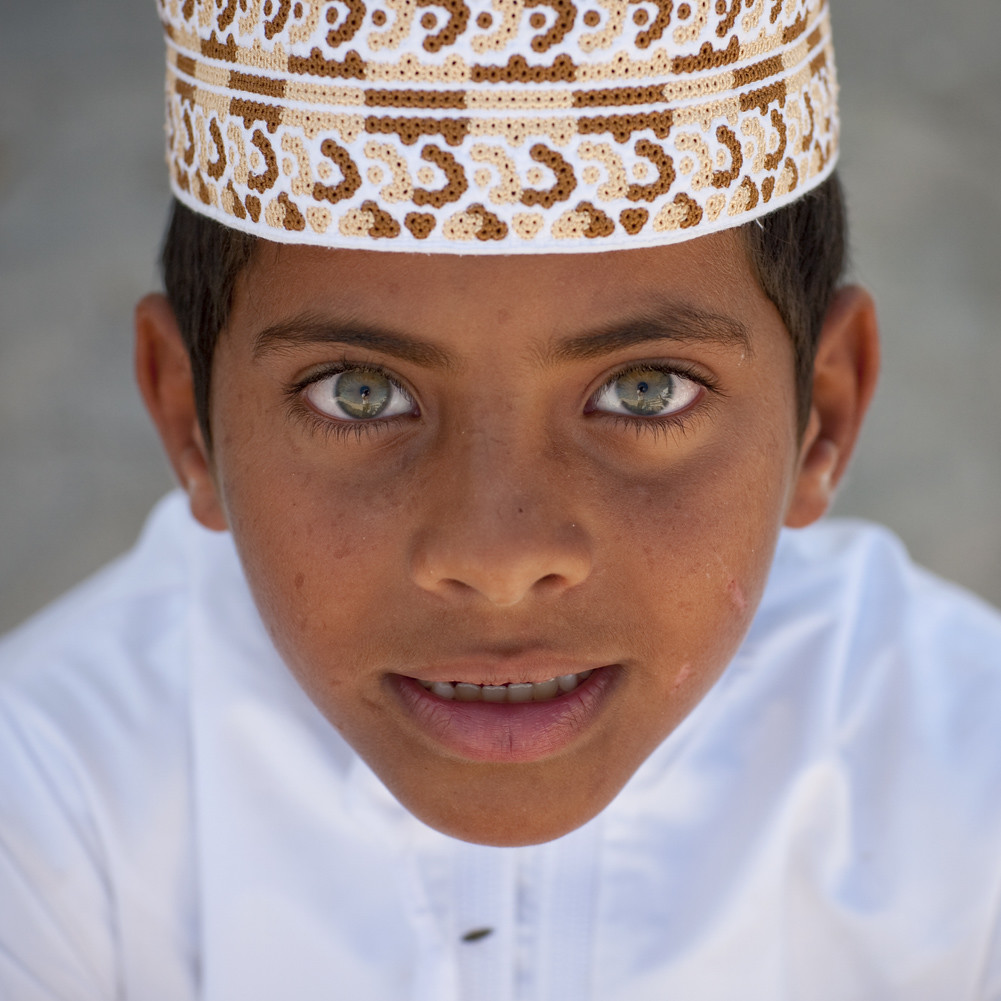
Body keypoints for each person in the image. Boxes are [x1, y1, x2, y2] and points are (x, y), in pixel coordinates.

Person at [1, 0, 999, 997]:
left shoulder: (966, 780)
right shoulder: (49, 798)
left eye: (642, 390)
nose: (497, 554)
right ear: (189, 419)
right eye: (361, 392)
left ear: (821, 412)